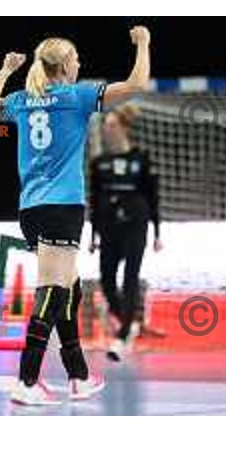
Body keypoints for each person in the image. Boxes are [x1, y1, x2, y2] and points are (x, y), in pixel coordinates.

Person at [0, 27, 151, 405]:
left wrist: (6, 70)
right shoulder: (78, 96)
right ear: (64, 66)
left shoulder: (24, 100)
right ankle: (26, 380)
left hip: (31, 208)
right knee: (53, 290)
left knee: (68, 287)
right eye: (75, 59)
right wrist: (143, 43)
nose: (79, 64)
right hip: (62, 208)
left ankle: (78, 375)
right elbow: (138, 83)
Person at [88, 104, 163, 362]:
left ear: (122, 128)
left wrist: (157, 232)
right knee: (107, 281)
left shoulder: (140, 159)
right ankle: (129, 323)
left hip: (136, 223)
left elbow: (152, 196)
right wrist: (93, 235)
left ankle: (121, 338)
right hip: (109, 226)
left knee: (130, 278)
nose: (107, 131)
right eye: (105, 127)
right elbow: (94, 200)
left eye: (111, 126)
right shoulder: (100, 164)